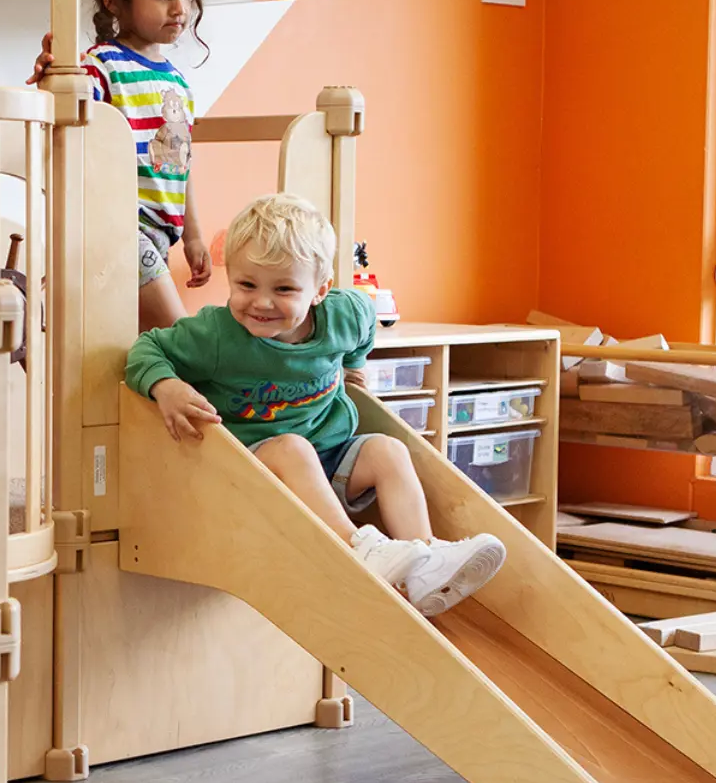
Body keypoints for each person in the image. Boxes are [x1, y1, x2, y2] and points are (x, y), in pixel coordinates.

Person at [125, 194, 506, 617]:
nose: (262, 302)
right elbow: (146, 349)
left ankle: (426, 560)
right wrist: (167, 386)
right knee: (292, 447)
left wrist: (353, 368)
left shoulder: (344, 314)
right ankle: (358, 548)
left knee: (388, 449)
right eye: (246, 285)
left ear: (320, 290)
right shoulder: (217, 335)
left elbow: (364, 331)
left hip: (329, 453)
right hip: (253, 469)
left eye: (284, 289)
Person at [28, 0, 211, 331]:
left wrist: (194, 236)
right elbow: (60, 120)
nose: (180, 8)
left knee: (146, 349)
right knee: (181, 336)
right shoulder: (101, 67)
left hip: (161, 237)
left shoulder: (178, 83)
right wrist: (52, 75)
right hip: (121, 231)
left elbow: (182, 168)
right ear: (114, 1)